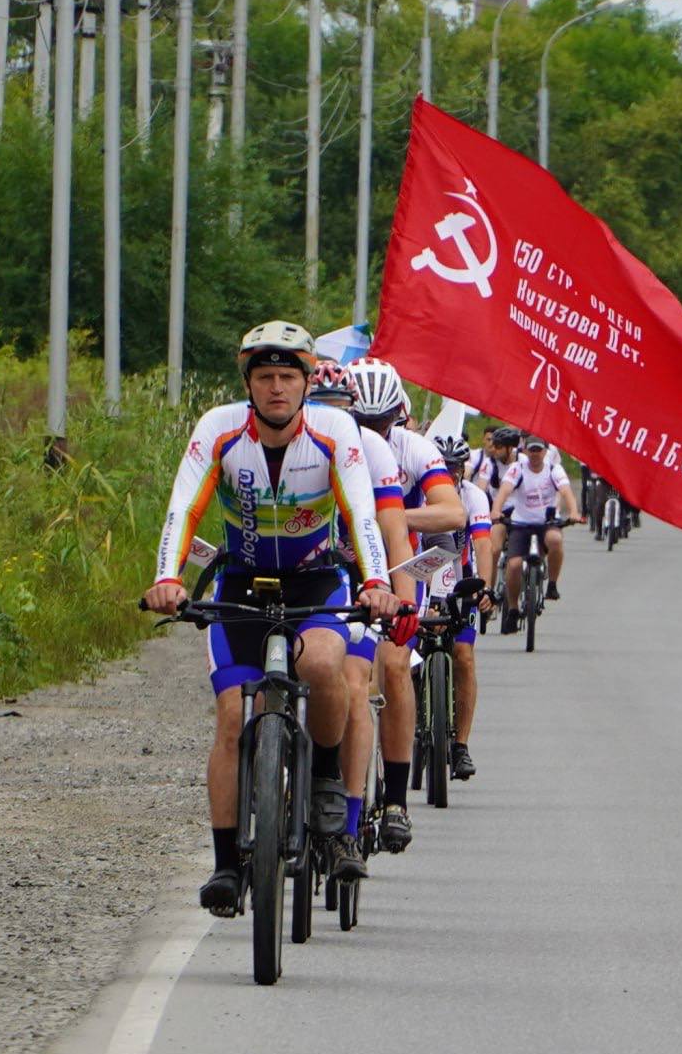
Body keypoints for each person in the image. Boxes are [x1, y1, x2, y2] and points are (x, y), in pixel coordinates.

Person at [142, 323, 401, 915]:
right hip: (241, 583)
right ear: (248, 385)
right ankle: (228, 864)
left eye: (288, 376)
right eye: (265, 377)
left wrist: (378, 584)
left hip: (315, 580)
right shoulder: (220, 428)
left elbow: (362, 511)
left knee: (325, 664)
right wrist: (167, 577)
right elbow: (184, 505)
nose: (277, 388)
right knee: (233, 715)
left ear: (308, 382)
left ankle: (329, 793)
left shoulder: (335, 430)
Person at [347, 357, 465, 852]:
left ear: (398, 415)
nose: (372, 432)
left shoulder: (411, 447)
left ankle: (394, 800)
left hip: (398, 566)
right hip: (339, 564)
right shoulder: (329, 440)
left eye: (381, 423)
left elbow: (452, 509)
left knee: (395, 666)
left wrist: (392, 514)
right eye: (362, 423)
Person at [306, 362, 419, 859]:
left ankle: (348, 826)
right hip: (302, 574)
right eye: (320, 411)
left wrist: (404, 601)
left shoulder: (369, 449)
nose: (331, 421)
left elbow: (394, 532)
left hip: (357, 580)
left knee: (353, 682)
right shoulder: (286, 442)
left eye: (341, 413)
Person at [428, 435, 494, 781]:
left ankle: (461, 745)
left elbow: (483, 545)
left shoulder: (474, 496)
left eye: (456, 467)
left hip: (459, 584)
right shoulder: (418, 492)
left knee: (464, 656)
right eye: (444, 467)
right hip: (421, 582)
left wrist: (485, 587)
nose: (450, 474)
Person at [489, 434, 581, 629]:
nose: (535, 454)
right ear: (525, 451)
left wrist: (573, 512)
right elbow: (504, 491)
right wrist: (496, 510)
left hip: (546, 522)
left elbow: (566, 492)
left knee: (555, 539)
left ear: (545, 452)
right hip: (521, 523)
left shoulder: (553, 470)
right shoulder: (517, 469)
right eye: (532, 450)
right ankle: (513, 609)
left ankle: (552, 585)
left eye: (539, 450)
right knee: (513, 566)